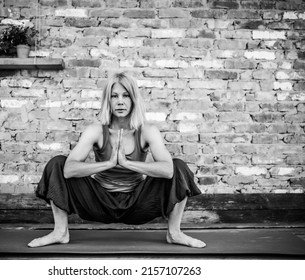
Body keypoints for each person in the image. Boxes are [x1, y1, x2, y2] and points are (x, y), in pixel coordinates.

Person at [28, 72, 206, 248]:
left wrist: (127, 163)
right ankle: (60, 232)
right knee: (57, 163)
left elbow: (168, 171)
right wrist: (108, 163)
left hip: (137, 204)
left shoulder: (147, 131)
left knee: (178, 166)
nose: (120, 101)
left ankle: (174, 233)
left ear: (134, 99)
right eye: (114, 96)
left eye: (126, 95)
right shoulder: (96, 130)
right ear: (108, 101)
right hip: (98, 202)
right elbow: (68, 170)